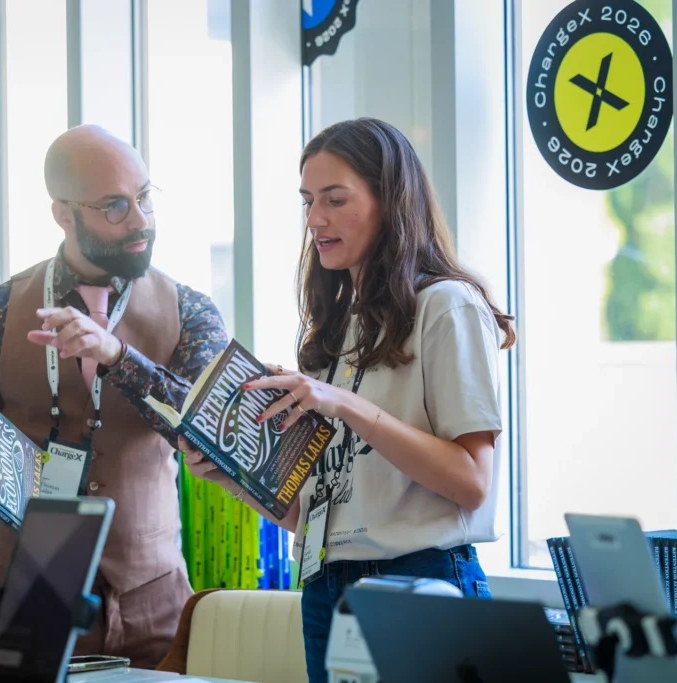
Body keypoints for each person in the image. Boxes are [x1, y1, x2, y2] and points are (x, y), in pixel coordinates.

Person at [180, 117, 515, 683]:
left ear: (390, 200)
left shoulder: (447, 307)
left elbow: (472, 481)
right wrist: (231, 474)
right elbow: (307, 515)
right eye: (308, 201)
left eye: (335, 200)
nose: (315, 220)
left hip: (420, 581)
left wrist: (341, 403)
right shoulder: (332, 333)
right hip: (326, 587)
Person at [0, 124, 229, 668]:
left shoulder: (192, 311)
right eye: (113, 206)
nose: (139, 221)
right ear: (63, 214)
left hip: (154, 599)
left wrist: (119, 357)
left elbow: (211, 432)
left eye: (144, 198)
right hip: (25, 597)